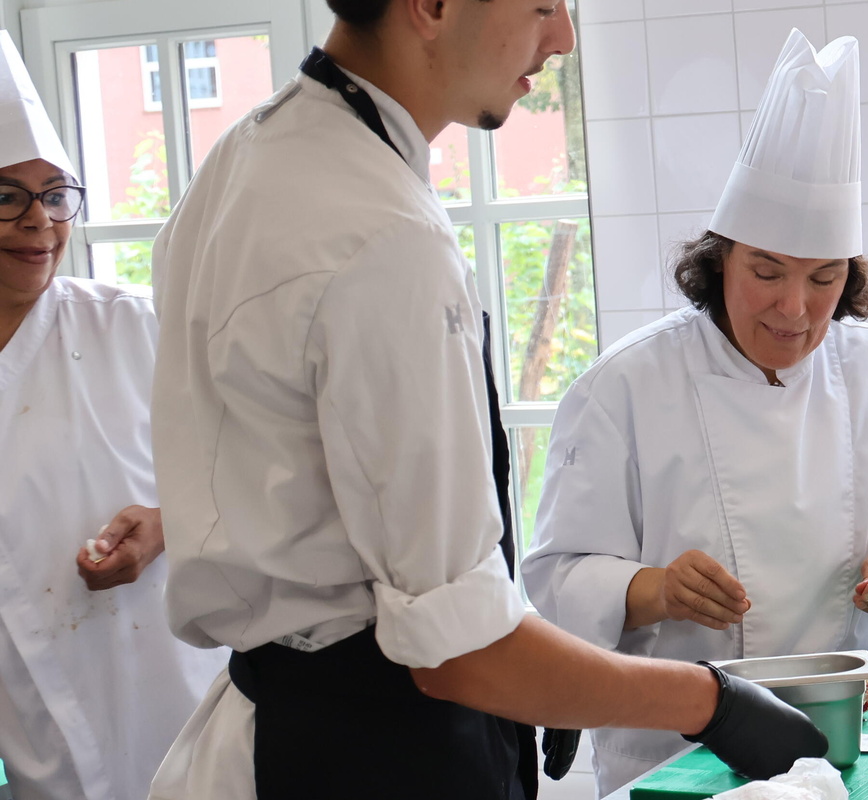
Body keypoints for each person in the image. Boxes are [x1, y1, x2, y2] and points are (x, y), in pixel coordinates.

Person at [143, 2, 825, 797]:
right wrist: (711, 702)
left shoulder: (248, 157)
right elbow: (457, 654)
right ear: (431, 7)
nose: (564, 38)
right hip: (363, 754)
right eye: (541, 4)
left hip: (283, 725)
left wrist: (554, 676)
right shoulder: (382, 235)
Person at [524, 29, 868, 793]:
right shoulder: (623, 387)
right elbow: (556, 577)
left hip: (858, 736)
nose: (795, 310)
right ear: (721, 256)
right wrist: (653, 588)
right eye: (767, 272)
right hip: (679, 753)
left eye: (824, 279)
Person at [0, 33, 225, 800]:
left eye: (57, 195)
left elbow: (267, 470)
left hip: (182, 704)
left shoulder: (134, 325)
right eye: (6, 196)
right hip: (33, 733)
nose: (41, 222)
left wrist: (170, 520)